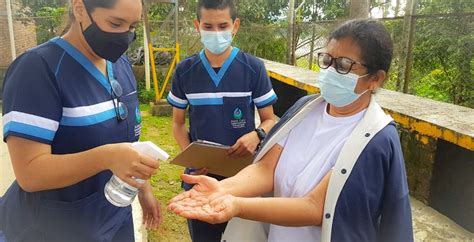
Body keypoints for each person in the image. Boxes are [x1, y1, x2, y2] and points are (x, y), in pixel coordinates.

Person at [168, 19, 414, 242]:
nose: (329, 71)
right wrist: (223, 188)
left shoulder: (375, 139)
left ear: (376, 79)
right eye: (327, 60)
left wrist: (235, 204)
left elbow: (315, 207)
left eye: (344, 65)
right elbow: (266, 170)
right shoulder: (305, 109)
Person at [0, 0, 162, 241]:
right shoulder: (37, 70)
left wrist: (143, 189)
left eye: (132, 26)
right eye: (115, 23)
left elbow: (127, 145)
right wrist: (106, 157)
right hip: (51, 228)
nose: (125, 37)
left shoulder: (120, 65)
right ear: (79, 9)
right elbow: (30, 173)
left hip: (113, 219)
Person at [166, 0, 278, 241]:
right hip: (200, 179)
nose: (216, 33)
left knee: (242, 236)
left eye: (222, 26)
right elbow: (177, 124)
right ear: (197, 26)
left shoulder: (253, 68)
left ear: (235, 26)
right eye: (208, 26)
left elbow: (270, 120)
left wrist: (256, 135)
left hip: (242, 179)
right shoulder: (185, 71)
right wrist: (192, 157)